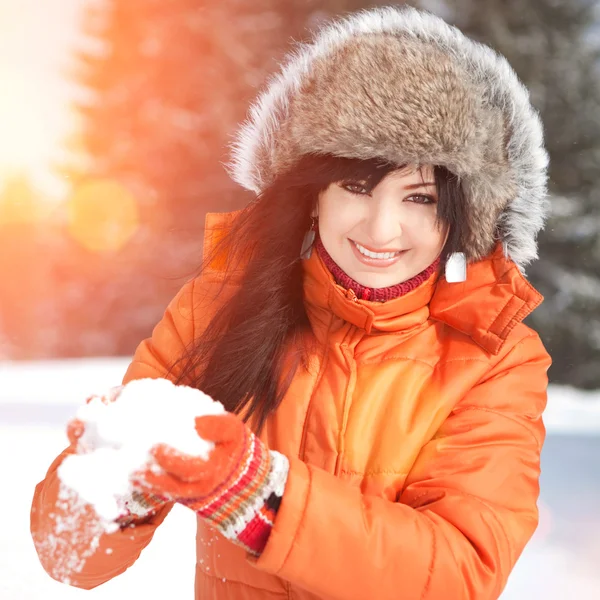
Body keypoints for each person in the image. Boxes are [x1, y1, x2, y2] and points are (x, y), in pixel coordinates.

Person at [31, 6, 552, 600]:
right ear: (312, 194)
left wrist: (257, 496)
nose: (383, 229)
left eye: (421, 198)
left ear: (462, 215)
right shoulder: (219, 306)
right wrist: (116, 471)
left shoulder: (496, 356)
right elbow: (69, 556)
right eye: (357, 186)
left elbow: (462, 571)